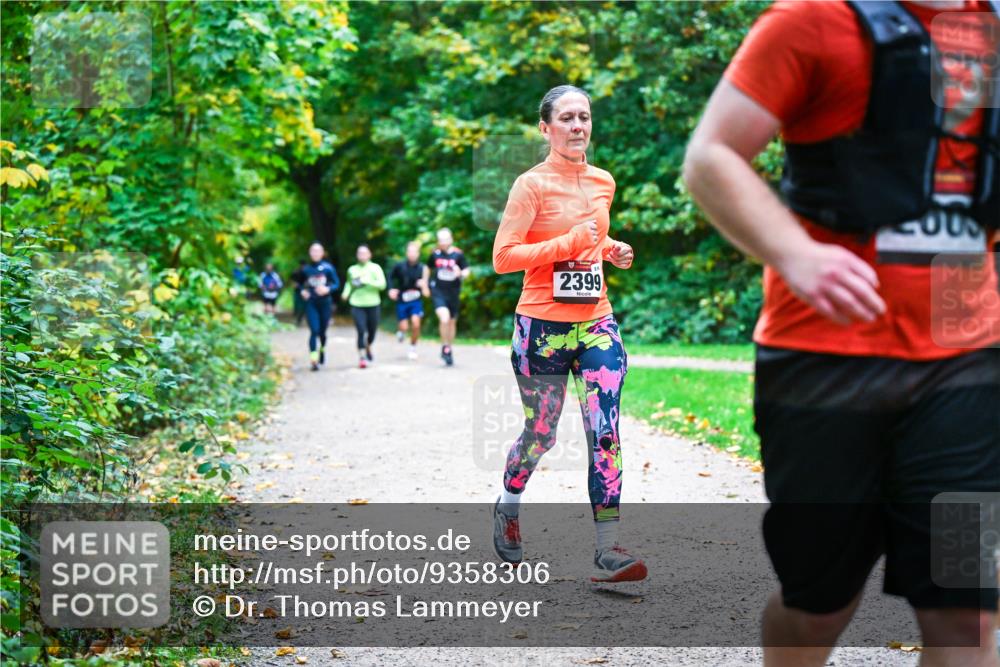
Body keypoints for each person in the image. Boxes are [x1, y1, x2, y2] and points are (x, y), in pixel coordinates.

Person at [683, 1, 999, 664]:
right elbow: (711, 156)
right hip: (821, 362)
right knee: (818, 603)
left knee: (964, 610)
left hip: (967, 365)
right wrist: (796, 254)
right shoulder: (809, 21)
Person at [491, 84, 640, 584]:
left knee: (605, 430)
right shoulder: (530, 185)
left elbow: (593, 240)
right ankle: (509, 505)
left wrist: (611, 249)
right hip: (542, 327)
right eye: (568, 118)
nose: (579, 126)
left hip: (596, 322)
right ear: (546, 128)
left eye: (585, 117)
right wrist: (568, 244)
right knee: (542, 433)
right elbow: (504, 257)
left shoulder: (603, 181)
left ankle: (608, 549)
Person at [427, 228, 469, 366]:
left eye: (445, 239)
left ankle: (448, 348)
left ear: (451, 239)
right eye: (441, 240)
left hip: (453, 293)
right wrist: (424, 285)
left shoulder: (458, 254)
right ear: (438, 241)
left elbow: (466, 270)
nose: (443, 242)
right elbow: (427, 268)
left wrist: (460, 274)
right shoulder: (435, 254)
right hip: (438, 291)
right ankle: (445, 345)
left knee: (451, 322)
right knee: (444, 318)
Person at [342, 244, 386, 369]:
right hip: (357, 303)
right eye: (360, 253)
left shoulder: (375, 268)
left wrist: (368, 282)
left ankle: (368, 345)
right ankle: (362, 357)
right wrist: (345, 293)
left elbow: (382, 285)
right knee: (361, 331)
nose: (362, 255)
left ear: (369, 255)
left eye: (364, 253)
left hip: (373, 303)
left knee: (372, 331)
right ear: (357, 255)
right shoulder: (352, 269)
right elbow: (349, 284)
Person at [300, 243, 339, 372]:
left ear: (322, 253)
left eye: (318, 251)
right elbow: (299, 284)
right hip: (311, 303)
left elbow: (336, 284)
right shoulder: (306, 269)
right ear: (310, 253)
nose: (315, 253)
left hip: (325, 303)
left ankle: (322, 349)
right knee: (314, 330)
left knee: (322, 332)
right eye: (313, 251)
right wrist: (302, 291)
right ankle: (313, 358)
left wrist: (327, 289)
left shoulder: (328, 268)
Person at [389, 241, 431, 360]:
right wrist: (391, 289)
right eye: (410, 251)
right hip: (402, 300)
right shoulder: (399, 266)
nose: (412, 254)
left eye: (414, 252)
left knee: (416, 324)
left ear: (418, 254)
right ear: (406, 253)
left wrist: (424, 285)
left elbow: (427, 291)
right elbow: (390, 277)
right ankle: (401, 332)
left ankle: (413, 348)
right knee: (404, 327)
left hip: (416, 301)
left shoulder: (423, 268)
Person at [290, 259, 308, 326]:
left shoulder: (306, 271)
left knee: (302, 306)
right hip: (298, 291)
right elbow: (292, 281)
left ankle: (299, 319)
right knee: (299, 306)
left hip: (304, 291)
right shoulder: (296, 272)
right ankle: (298, 319)